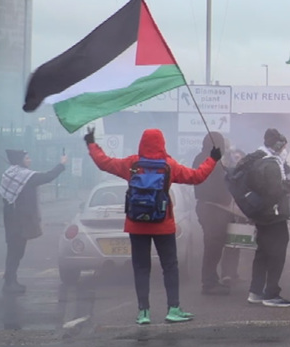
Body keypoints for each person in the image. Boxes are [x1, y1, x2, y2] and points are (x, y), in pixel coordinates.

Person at [86, 127, 217, 324]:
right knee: (170, 267)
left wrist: (91, 143)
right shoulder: (169, 166)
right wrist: (212, 159)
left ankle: (143, 312)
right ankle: (173, 308)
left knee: (141, 268)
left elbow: (104, 163)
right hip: (163, 224)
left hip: (136, 225)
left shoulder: (132, 164)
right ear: (162, 143)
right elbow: (197, 177)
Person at [243, 128, 290, 308]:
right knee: (277, 254)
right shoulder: (271, 163)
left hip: (262, 215)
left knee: (262, 254)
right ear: (277, 145)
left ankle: (256, 291)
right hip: (273, 215)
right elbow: (274, 191)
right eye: (284, 146)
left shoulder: (257, 160)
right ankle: (271, 293)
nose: (285, 150)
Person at [0, 149, 67, 295]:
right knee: (15, 251)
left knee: (16, 251)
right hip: (18, 220)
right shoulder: (24, 176)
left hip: (13, 218)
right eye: (27, 158)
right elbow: (48, 176)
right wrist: (61, 165)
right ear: (20, 160)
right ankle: (9, 283)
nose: (29, 160)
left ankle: (11, 279)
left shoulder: (11, 174)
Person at [192, 132, 238, 295]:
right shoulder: (208, 160)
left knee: (214, 246)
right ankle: (209, 282)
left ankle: (212, 279)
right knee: (213, 247)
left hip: (210, 209)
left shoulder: (205, 158)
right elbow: (214, 187)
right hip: (212, 209)